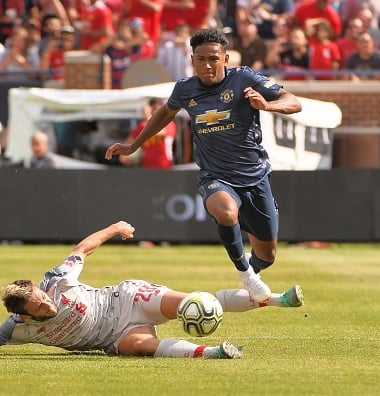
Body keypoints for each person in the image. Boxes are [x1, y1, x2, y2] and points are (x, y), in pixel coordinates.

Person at [105, 29, 303, 303]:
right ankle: (245, 273)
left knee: (267, 256)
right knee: (226, 211)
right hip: (215, 176)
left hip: (255, 176)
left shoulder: (244, 78)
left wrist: (267, 105)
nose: (207, 65)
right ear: (192, 59)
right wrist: (134, 145)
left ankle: (244, 280)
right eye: (200, 59)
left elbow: (293, 102)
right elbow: (164, 113)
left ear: (225, 59)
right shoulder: (185, 89)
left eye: (213, 59)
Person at [0, 221, 304, 358]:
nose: (47, 300)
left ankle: (274, 299)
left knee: (195, 304)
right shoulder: (18, 330)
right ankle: (213, 353)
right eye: (39, 303)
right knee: (139, 349)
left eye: (43, 295)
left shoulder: (56, 280)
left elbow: (82, 249)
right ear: (25, 314)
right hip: (115, 336)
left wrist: (115, 229)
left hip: (127, 298)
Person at [120, 97, 176, 169]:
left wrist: (148, 117)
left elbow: (159, 132)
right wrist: (123, 156)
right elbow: (129, 142)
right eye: (153, 109)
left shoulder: (169, 123)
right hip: (147, 166)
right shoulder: (142, 125)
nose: (155, 112)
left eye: (157, 109)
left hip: (165, 166)